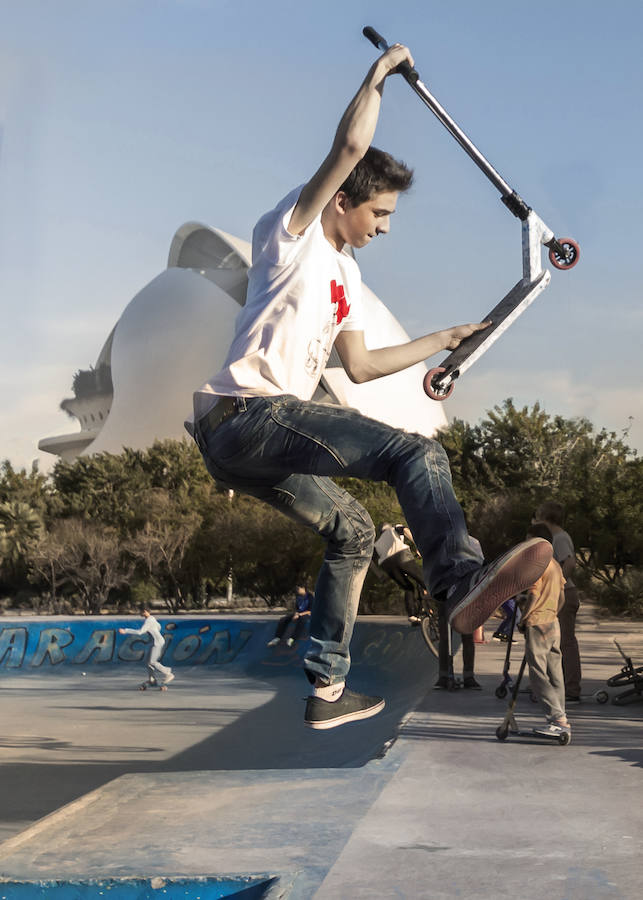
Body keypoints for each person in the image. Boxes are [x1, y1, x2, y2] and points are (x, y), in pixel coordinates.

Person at [187, 42, 552, 730]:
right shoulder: (291, 232)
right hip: (247, 413)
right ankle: (460, 583)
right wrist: (378, 75)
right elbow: (350, 146)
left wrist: (440, 341)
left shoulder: (345, 278)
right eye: (378, 215)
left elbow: (358, 367)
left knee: (353, 530)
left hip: (240, 441)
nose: (382, 229)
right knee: (416, 453)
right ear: (344, 203)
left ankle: (326, 690)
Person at [517, 523, 570, 737]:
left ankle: (557, 718)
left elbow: (534, 595)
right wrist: (553, 613)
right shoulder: (555, 564)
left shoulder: (537, 564)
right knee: (555, 672)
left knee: (538, 673)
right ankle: (562, 718)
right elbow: (562, 596)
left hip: (537, 623)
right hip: (552, 623)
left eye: (529, 541)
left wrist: (524, 618)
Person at [534, 501, 581, 702]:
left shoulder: (560, 538)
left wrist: (557, 583)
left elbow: (570, 562)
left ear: (546, 518)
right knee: (556, 640)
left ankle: (571, 687)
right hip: (560, 592)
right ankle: (555, 683)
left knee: (566, 642)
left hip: (565, 593)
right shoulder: (556, 537)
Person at [435, 536, 483, 689]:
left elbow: (479, 566)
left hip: (465, 592)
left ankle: (469, 676)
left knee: (467, 633)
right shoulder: (442, 543)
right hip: (445, 591)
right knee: (445, 635)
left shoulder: (473, 543)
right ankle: (444, 675)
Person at [373, 522, 427, 623]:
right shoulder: (394, 528)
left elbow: (369, 561)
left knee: (408, 587)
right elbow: (406, 530)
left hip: (387, 565)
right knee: (422, 579)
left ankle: (412, 614)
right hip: (402, 556)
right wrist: (418, 547)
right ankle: (443, 601)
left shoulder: (377, 543)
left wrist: (379, 575)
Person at [119, 607, 174, 687]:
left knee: (152, 661)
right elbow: (159, 627)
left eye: (142, 611)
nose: (140, 613)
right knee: (148, 662)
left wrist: (126, 631)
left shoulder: (149, 621)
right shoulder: (152, 619)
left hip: (157, 643)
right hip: (156, 642)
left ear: (146, 612)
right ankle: (152, 680)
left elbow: (140, 632)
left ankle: (168, 673)